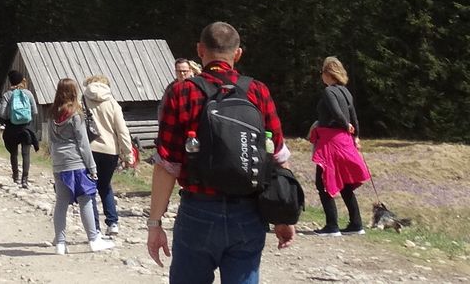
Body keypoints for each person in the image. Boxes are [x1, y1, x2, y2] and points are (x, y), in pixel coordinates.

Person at [147, 22, 295, 282]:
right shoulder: (258, 92)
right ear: (237, 54)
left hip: (198, 210)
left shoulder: (182, 93)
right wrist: (282, 216)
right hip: (248, 213)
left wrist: (155, 224)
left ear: (200, 50)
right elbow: (277, 157)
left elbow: (167, 165)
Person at [50, 78, 114, 254]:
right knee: (85, 200)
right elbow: (83, 143)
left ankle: (60, 244)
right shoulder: (76, 114)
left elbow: (51, 141)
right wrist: (92, 167)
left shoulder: (53, 113)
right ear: (73, 92)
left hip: (59, 163)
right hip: (76, 162)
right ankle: (93, 239)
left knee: (61, 203)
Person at [309, 56, 370, 237]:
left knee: (323, 182)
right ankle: (356, 224)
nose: (321, 75)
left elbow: (336, 112)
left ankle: (332, 226)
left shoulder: (329, 92)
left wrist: (344, 124)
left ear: (328, 73)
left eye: (322, 72)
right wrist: (356, 135)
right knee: (345, 183)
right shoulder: (346, 92)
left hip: (332, 140)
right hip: (346, 140)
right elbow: (354, 115)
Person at [84, 74, 135, 237]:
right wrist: (127, 155)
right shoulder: (112, 103)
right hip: (110, 151)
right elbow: (122, 131)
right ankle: (112, 222)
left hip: (89, 149)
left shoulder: (82, 101)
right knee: (105, 186)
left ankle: (95, 228)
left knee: (90, 188)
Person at [0, 70, 39, 188]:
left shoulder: (7, 95)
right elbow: (35, 111)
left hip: (12, 128)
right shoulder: (28, 94)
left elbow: (2, 113)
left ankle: (15, 176)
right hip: (26, 128)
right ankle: (25, 180)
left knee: (14, 153)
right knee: (26, 154)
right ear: (22, 80)